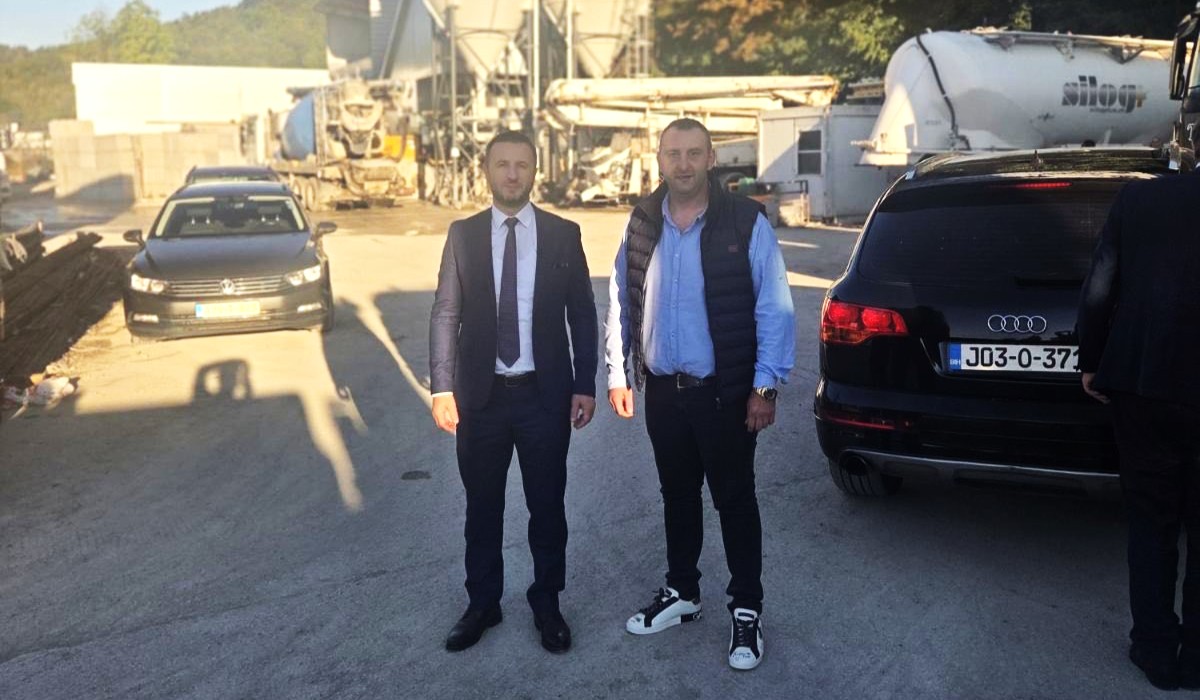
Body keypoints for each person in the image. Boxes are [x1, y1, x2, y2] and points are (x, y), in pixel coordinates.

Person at [603, 117, 795, 670]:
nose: (683, 164)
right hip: (664, 391)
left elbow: (775, 307)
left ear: (712, 159)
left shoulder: (744, 220)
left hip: (724, 395)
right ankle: (683, 592)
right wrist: (618, 373)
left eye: (694, 153)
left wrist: (765, 386)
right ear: (659, 160)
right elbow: (620, 296)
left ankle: (747, 608)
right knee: (677, 496)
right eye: (673, 154)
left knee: (735, 500)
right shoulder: (642, 220)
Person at [429, 130, 598, 654]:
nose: (511, 174)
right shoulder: (462, 235)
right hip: (479, 398)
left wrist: (585, 383)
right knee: (482, 508)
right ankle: (483, 603)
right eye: (501, 164)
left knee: (547, 507)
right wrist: (441, 387)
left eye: (521, 165)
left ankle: (547, 602)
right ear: (486, 170)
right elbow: (446, 312)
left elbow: (582, 313)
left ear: (535, 172)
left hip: (543, 397)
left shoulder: (563, 234)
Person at [1077, 169, 1200, 691]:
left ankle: (1155, 650)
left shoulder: (1140, 199)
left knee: (1152, 523)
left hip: (1144, 383)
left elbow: (1100, 285)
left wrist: (1091, 359)